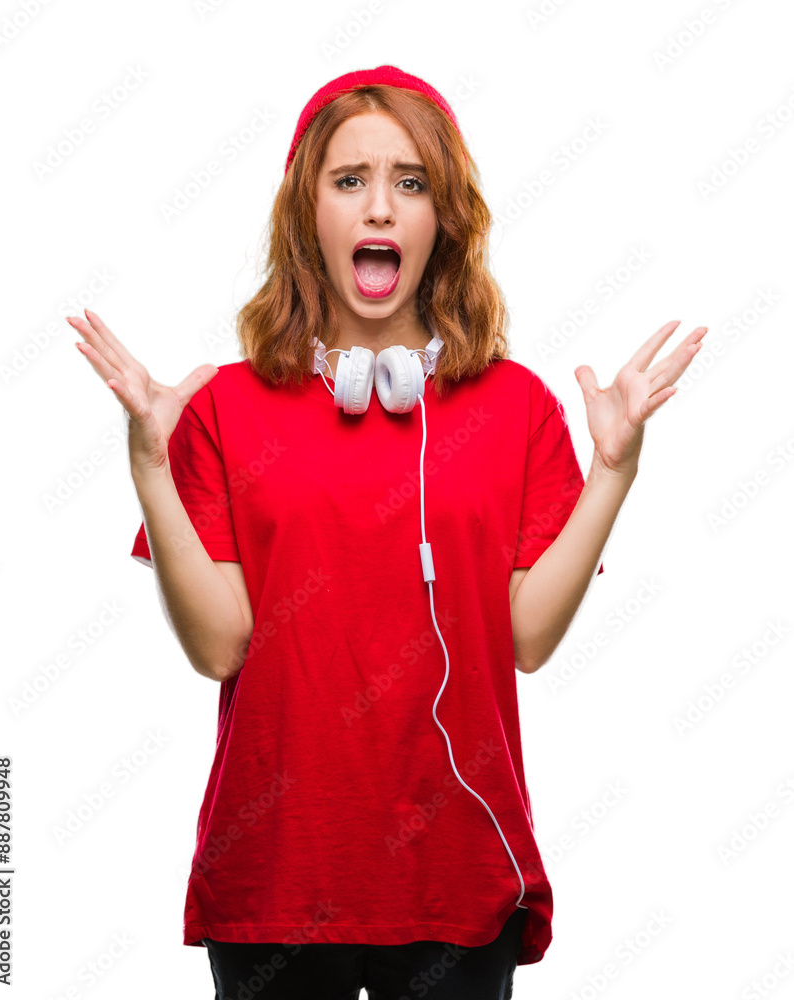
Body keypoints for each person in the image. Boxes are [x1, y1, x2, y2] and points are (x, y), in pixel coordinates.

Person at [68, 65, 707, 1000]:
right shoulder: (223, 408)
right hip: (280, 880)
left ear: (442, 217)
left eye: (409, 182)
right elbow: (217, 646)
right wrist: (151, 469)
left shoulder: (516, 406)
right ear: (307, 215)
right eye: (348, 180)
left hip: (457, 874)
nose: (379, 208)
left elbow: (526, 639)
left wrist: (612, 473)